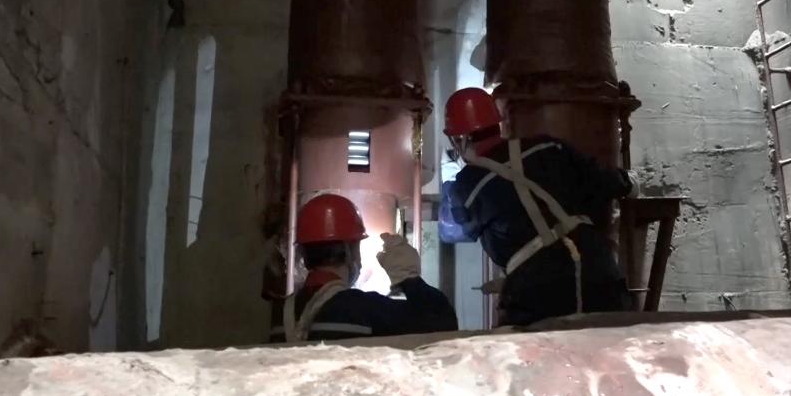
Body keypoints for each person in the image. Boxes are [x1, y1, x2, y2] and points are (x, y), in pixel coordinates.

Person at [441, 87, 638, 326]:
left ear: (460, 139)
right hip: (598, 270)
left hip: (538, 288)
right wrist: (630, 183)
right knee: (607, 344)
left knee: (535, 348)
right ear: (498, 123)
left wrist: (450, 176)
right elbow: (603, 181)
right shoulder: (548, 147)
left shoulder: (468, 183)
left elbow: (453, 230)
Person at [270, 194, 458, 342]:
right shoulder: (361, 309)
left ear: (303, 254)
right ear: (348, 251)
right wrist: (410, 279)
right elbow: (444, 325)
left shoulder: (280, 314)